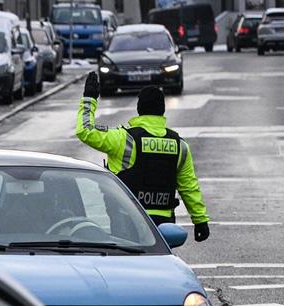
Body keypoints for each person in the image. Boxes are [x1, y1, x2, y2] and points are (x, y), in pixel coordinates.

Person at [75, 73, 210, 241]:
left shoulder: (124, 139)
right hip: (164, 225)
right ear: (162, 111)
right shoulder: (179, 145)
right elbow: (189, 186)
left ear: (139, 109)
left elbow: (85, 130)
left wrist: (89, 99)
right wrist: (200, 220)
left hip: (127, 219)